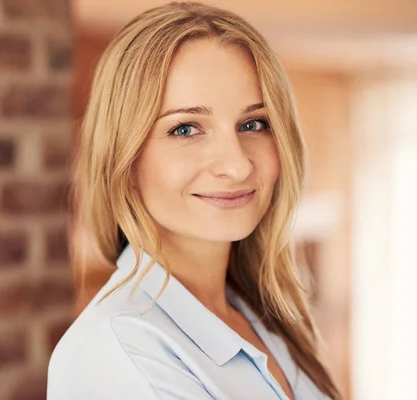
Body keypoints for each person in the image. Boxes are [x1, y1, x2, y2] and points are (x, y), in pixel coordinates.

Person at [47, 2, 341, 399]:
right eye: (186, 129)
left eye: (253, 124)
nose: (237, 166)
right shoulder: (120, 355)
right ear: (124, 157)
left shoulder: (258, 315)